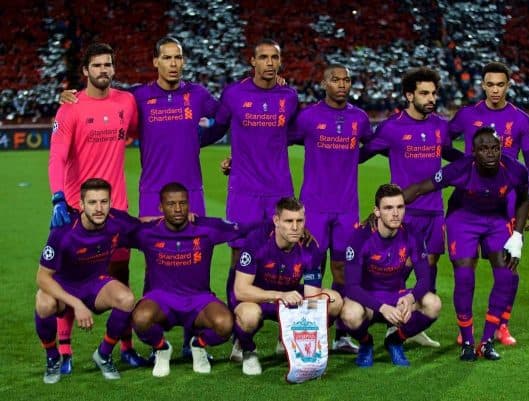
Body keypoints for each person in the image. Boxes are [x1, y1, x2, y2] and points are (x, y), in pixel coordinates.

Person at [60, 36, 221, 358]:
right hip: (152, 194)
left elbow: (226, 119)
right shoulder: (139, 98)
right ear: (155, 62)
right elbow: (108, 104)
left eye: (178, 57)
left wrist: (198, 138)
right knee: (154, 266)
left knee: (196, 266)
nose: (174, 63)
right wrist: (71, 97)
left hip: (192, 193)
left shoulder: (198, 94)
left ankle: (192, 340)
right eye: (167, 57)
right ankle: (154, 336)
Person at [48, 43, 144, 372]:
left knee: (121, 276)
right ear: (85, 71)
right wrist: (58, 197)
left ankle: (125, 348)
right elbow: (57, 156)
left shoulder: (126, 102)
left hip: (116, 210)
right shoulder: (70, 108)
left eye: (109, 64)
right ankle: (64, 352)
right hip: (77, 209)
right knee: (66, 281)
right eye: (97, 65)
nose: (104, 70)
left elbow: (136, 128)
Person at [403, 127, 529, 361]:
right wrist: (392, 202)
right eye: (484, 149)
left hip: (496, 221)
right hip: (463, 219)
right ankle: (468, 342)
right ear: (473, 152)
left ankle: (487, 341)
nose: (490, 154)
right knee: (464, 277)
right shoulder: (461, 168)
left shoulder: (515, 169)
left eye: (495, 148)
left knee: (506, 275)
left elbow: (524, 199)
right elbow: (422, 187)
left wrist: (518, 236)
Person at [360, 67, 462, 348]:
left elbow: (452, 155)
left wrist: (477, 163)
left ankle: (414, 325)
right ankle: (379, 317)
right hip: (404, 213)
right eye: (424, 93)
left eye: (434, 93)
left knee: (429, 268)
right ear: (409, 95)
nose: (431, 98)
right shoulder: (391, 128)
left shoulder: (440, 126)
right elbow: (361, 155)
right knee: (400, 268)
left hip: (434, 212)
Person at [449, 61, 529, 345]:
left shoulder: (521, 120)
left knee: (508, 268)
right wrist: (463, 165)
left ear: (508, 86)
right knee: (468, 264)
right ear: (483, 85)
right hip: (470, 200)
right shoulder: (467, 115)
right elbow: (442, 142)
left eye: (501, 85)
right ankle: (465, 325)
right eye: (490, 84)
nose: (495, 90)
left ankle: (502, 324)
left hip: (509, 203)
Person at [130, 182, 260, 377]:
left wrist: (286, 227)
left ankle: (198, 345)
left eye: (182, 203)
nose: (177, 209)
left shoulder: (206, 228)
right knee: (140, 318)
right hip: (161, 300)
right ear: (160, 207)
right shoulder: (147, 231)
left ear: (189, 205)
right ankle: (162, 348)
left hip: (199, 300)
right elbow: (114, 229)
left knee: (225, 324)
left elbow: (246, 228)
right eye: (171, 204)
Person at [287, 63, 373, 353]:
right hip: (314, 206)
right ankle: (312, 333)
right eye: (335, 79)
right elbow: (279, 140)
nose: (342, 84)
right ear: (324, 83)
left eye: (346, 79)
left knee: (343, 270)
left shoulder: (359, 119)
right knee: (312, 268)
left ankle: (341, 334)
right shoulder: (308, 117)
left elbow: (369, 147)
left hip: (347, 207)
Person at [35, 178, 139, 384]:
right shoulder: (62, 231)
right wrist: (77, 305)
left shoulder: (118, 222)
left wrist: (185, 220)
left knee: (126, 298)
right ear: (81, 205)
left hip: (95, 283)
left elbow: (148, 228)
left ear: (110, 203)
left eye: (104, 202)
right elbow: (42, 277)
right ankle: (53, 357)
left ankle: (103, 354)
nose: (99, 208)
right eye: (92, 203)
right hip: (63, 285)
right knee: (44, 303)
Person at [210, 39, 298, 269]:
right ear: (252, 61)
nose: (269, 62)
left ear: (280, 62)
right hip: (244, 189)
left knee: (282, 250)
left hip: (278, 189)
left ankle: (274, 303)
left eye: (274, 57)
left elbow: (293, 134)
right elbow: (218, 126)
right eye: (263, 57)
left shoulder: (289, 96)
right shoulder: (234, 93)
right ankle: (234, 302)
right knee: (239, 250)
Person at [230, 197, 342, 375]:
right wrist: (278, 295)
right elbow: (241, 290)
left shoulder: (310, 246)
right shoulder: (257, 240)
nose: (295, 227)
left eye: (300, 221)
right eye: (289, 221)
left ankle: (288, 339)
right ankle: (247, 348)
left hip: (289, 297)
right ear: (276, 221)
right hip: (257, 297)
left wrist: (310, 327)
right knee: (249, 316)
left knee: (333, 301)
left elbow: (312, 296)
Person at [341, 184, 442, 367]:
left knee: (433, 304)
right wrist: (382, 308)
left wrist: (411, 297)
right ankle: (366, 343)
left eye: (400, 207)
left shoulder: (412, 234)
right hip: (368, 300)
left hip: (397, 296)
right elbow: (351, 287)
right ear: (377, 211)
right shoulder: (360, 238)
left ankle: (395, 340)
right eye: (388, 208)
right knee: (350, 314)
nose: (395, 213)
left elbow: (425, 278)